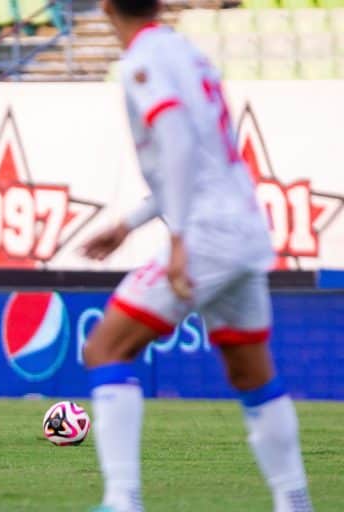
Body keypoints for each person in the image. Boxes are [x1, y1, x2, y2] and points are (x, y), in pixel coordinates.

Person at [80, 1, 313, 511]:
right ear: (161, 4)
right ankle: (294, 502)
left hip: (206, 234)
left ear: (104, 8)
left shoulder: (143, 61)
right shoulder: (186, 53)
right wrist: (129, 223)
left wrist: (180, 238)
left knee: (105, 350)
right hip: (244, 226)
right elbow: (196, 155)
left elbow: (178, 141)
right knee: (250, 372)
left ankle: (122, 501)